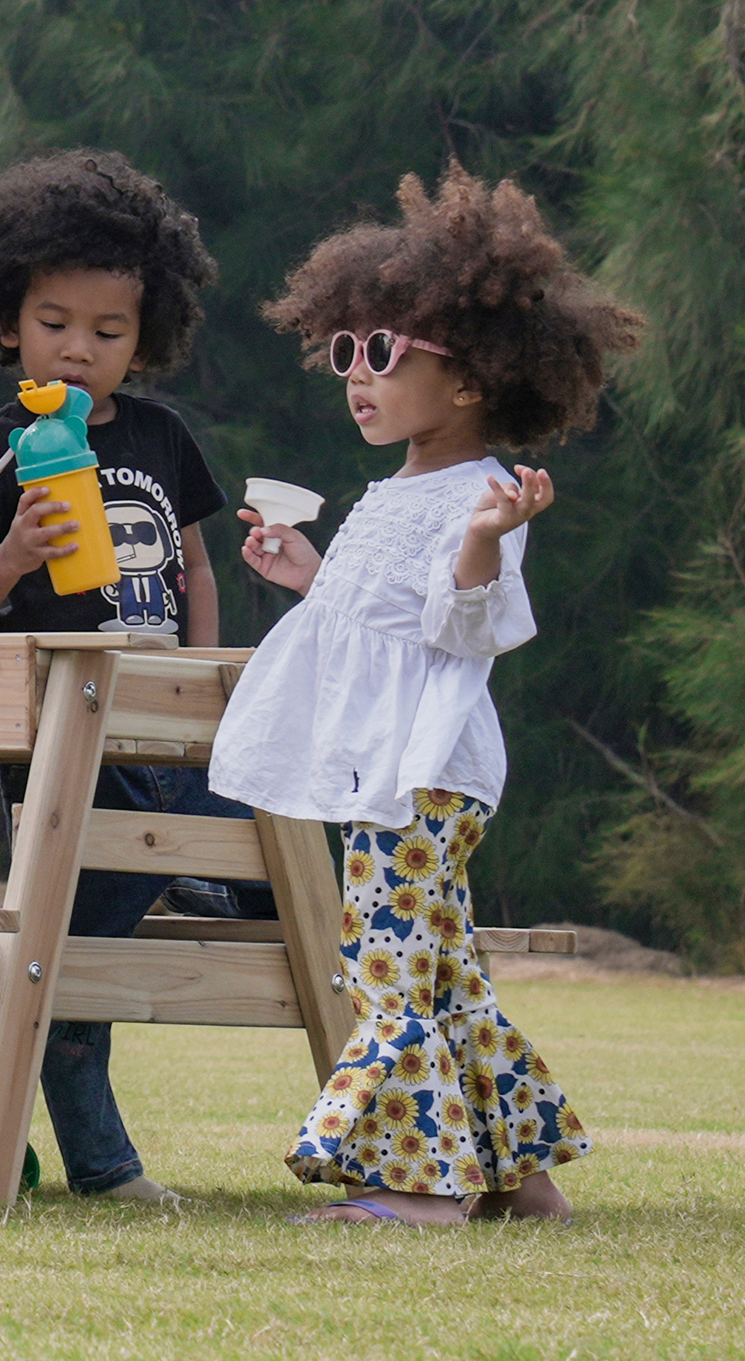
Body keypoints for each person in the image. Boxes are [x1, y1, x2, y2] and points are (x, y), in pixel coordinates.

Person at [222, 163, 635, 1227]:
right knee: (439, 971)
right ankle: (518, 1176)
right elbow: (379, 624)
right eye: (345, 353)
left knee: (387, 968)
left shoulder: (478, 499)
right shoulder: (395, 490)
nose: (354, 375)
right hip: (387, 770)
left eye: (382, 355)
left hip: (418, 777)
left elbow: (464, 632)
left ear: (469, 382)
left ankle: (414, 1190)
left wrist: (484, 548)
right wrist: (307, 575)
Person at [0, 147, 256, 1206]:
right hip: (65, 741)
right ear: (9, 323)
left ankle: (197, 875)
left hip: (170, 727)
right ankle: (105, 1170)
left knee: (276, 876)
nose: (78, 350)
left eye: (108, 333)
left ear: (143, 341)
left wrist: (207, 683)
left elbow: (194, 566)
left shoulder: (160, 435)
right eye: (55, 324)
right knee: (68, 962)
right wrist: (16, 554)